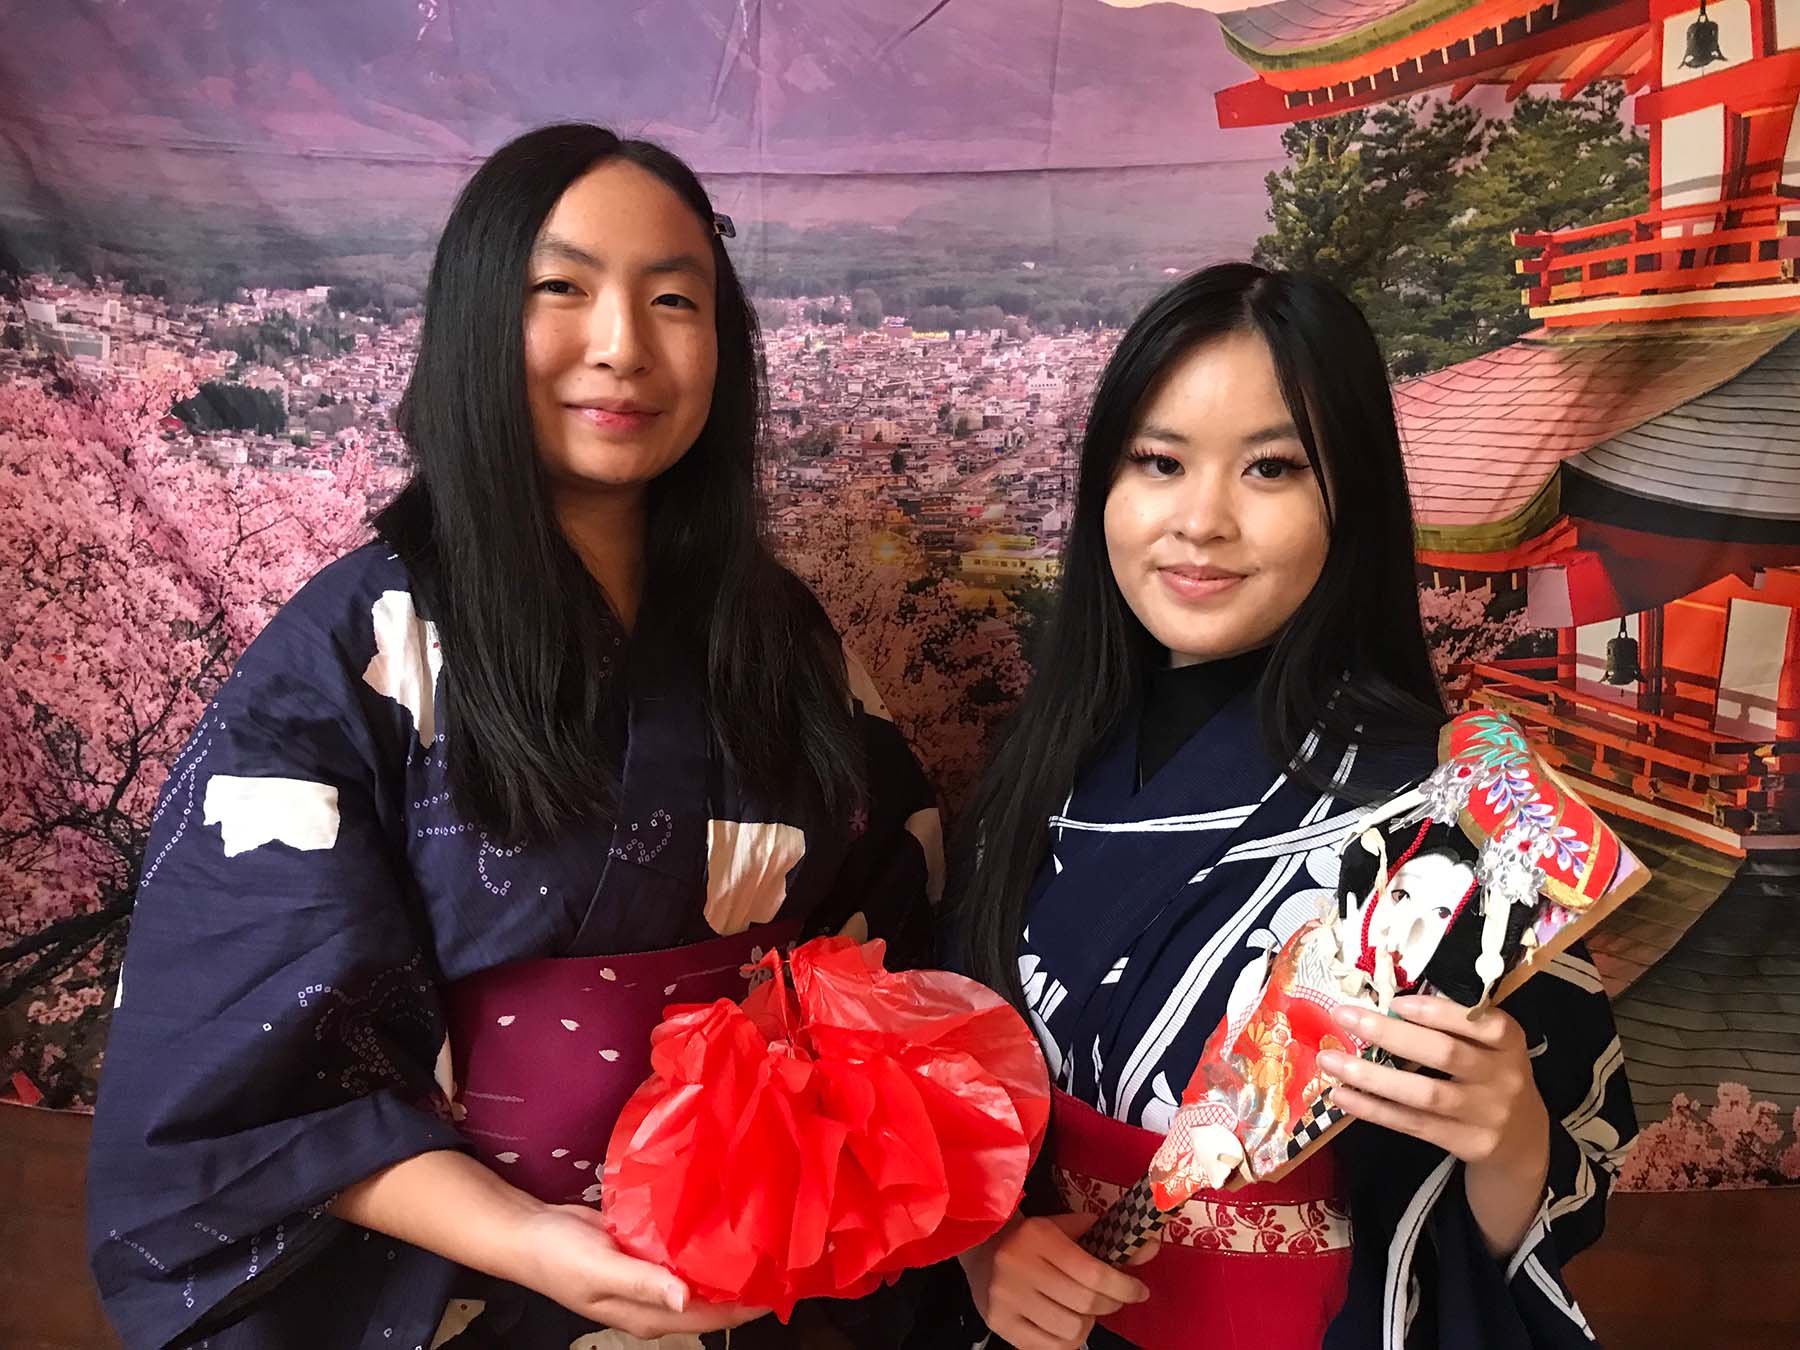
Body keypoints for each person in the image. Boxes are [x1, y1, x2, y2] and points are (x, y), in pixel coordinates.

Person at [86, 123, 941, 1350]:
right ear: (480, 321)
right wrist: (520, 1233)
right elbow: (243, 1062)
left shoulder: (782, 635)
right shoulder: (353, 646)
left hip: (752, 1251)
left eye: (673, 299)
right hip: (452, 1276)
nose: (621, 347)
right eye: (562, 288)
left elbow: (885, 935)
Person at [944, 264, 1634, 1349]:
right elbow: (948, 1104)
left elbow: (1542, 1209)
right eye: (1160, 462)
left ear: (1349, 499)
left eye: (1271, 468)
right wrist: (985, 1247)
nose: (1202, 521)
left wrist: (1510, 1142)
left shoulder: (1449, 821)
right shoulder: (1034, 782)